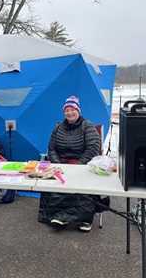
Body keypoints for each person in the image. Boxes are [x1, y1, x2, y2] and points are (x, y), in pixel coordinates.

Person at [38, 96, 101, 232]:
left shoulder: (87, 126)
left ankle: (84, 219)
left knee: (80, 186)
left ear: (78, 110)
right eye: (67, 110)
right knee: (54, 183)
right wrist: (58, 164)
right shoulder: (58, 128)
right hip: (62, 164)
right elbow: (52, 148)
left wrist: (78, 165)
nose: (69, 112)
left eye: (72, 109)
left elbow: (93, 149)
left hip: (82, 165)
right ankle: (59, 217)